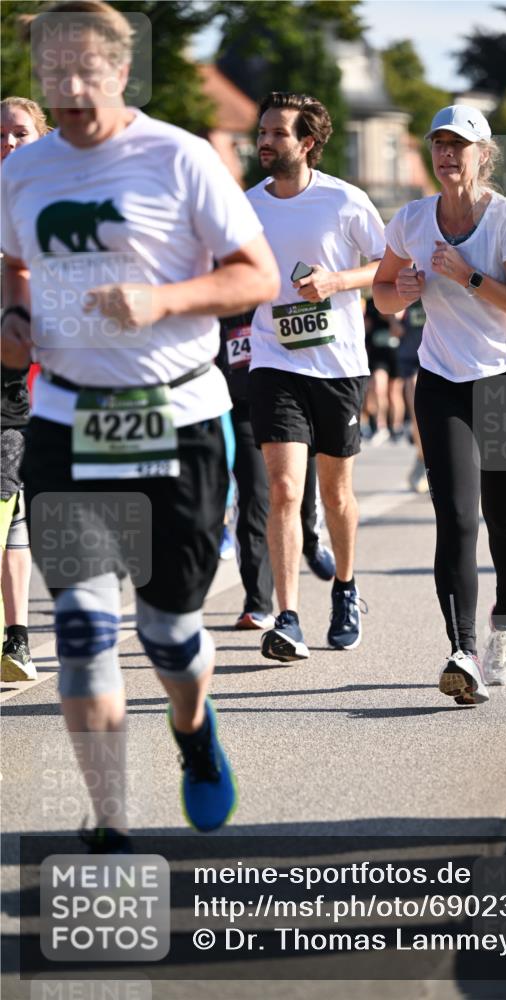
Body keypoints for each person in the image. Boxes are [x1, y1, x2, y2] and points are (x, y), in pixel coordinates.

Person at [1, 1, 279, 846]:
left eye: (89, 71)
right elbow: (15, 262)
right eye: (57, 74)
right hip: (66, 423)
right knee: (82, 633)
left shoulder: (180, 158)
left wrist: (161, 300)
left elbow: (256, 276)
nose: (74, 89)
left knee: (167, 635)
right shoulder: (23, 171)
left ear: (123, 71)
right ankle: (110, 819)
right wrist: (15, 321)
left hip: (178, 422)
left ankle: (194, 733)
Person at [373, 105, 506, 703]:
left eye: (459, 145)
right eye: (439, 144)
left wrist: (470, 276)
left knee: (504, 517)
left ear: (483, 153)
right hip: (442, 378)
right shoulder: (412, 220)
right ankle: (462, 650)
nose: (447, 154)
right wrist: (401, 290)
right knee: (455, 517)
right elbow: (383, 297)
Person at [246, 92, 385, 662]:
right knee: (282, 490)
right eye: (262, 131)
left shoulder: (345, 201)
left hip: (337, 366)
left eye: (278, 133)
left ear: (306, 143)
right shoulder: (246, 205)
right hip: (274, 360)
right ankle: (288, 616)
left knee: (335, 493)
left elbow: (390, 268)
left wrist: (337, 282)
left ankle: (346, 589)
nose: (265, 141)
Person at [216, 310, 335, 631]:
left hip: (289, 398)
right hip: (240, 402)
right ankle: (258, 602)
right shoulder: (219, 272)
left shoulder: (280, 279)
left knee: (299, 495)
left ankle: (310, 540)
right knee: (256, 495)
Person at [1, 97, 50, 681]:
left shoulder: (56, 206)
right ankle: (16, 638)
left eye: (20, 134)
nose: (9, 144)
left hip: (36, 380)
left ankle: (17, 637)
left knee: (13, 513)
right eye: (2, 136)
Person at [363, 298, 405, 445]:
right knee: (379, 388)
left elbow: (399, 329)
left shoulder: (401, 299)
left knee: (394, 393)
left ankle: (397, 427)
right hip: (377, 354)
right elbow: (366, 327)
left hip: (395, 354)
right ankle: (381, 427)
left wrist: (391, 316)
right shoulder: (370, 303)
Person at [397, 300, 428, 493]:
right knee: (419, 409)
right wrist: (393, 319)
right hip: (414, 355)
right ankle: (422, 458)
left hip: (451, 355)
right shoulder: (407, 270)